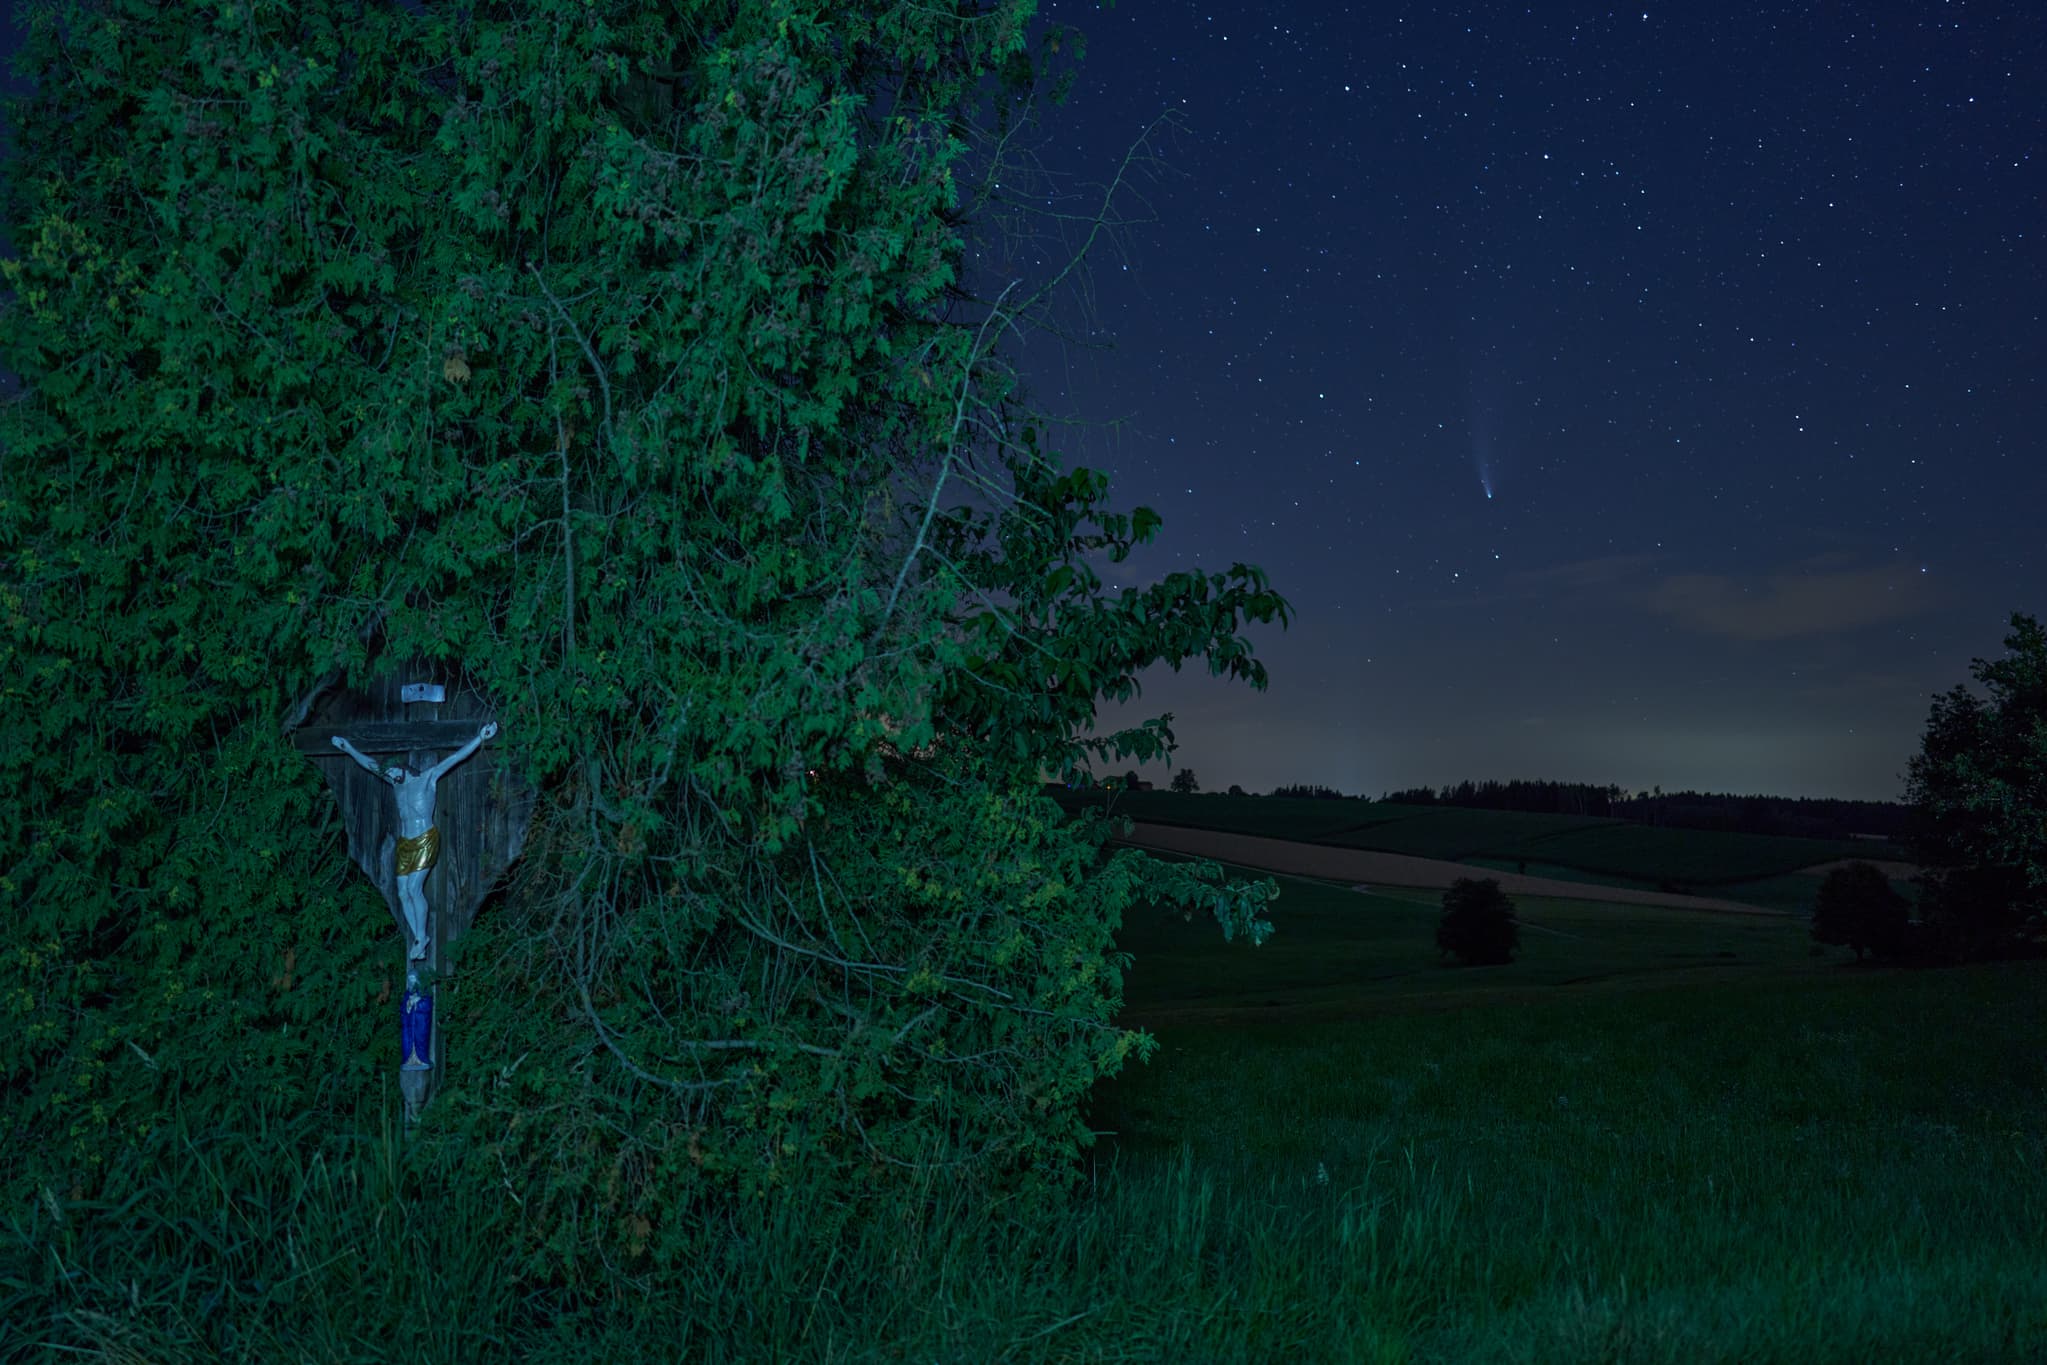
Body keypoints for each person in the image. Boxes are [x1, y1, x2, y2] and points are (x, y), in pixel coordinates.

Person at [332, 721, 498, 959]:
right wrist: (348, 748)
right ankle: (418, 937)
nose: (390, 775)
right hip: (405, 843)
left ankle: (422, 935)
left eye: (393, 772)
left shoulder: (427, 778)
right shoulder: (396, 785)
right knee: (402, 893)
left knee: (413, 888)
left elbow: (455, 759)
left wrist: (480, 738)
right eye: (388, 774)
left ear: (403, 769)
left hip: (424, 838)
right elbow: (370, 766)